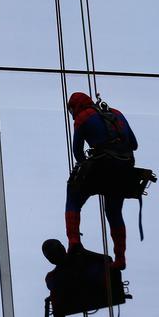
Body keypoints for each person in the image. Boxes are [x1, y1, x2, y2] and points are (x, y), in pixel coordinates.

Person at [65, 92, 138, 269]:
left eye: (71, 110)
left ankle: (74, 242)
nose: (72, 114)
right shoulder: (116, 113)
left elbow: (77, 152)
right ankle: (120, 259)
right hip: (125, 168)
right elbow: (134, 144)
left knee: (73, 196)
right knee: (114, 212)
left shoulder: (82, 118)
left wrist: (85, 167)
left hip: (103, 166)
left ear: (76, 106)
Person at [41, 238, 124, 317]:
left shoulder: (79, 257)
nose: (52, 258)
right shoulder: (53, 277)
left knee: (109, 268)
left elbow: (108, 260)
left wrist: (84, 252)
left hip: (94, 287)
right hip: (83, 292)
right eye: (50, 256)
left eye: (52, 254)